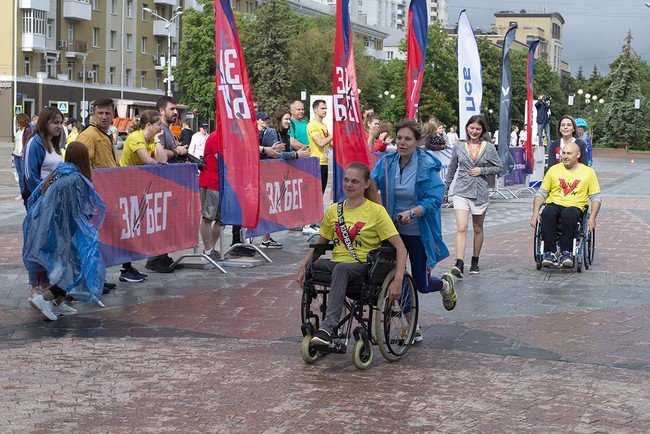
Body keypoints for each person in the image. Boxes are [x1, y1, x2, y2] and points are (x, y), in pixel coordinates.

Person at [296, 162, 408, 347]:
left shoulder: (376, 212)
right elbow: (319, 245)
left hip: (364, 266)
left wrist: (398, 280)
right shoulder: (334, 210)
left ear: (366, 184)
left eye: (355, 181)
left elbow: (401, 248)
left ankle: (328, 327)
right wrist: (303, 267)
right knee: (315, 266)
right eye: (346, 180)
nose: (349, 185)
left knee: (341, 269)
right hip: (339, 264)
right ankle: (317, 322)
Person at [372, 119, 457, 341]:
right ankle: (412, 327)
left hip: (419, 231)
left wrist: (412, 212)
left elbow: (435, 199)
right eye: (399, 138)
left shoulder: (427, 166)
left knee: (421, 283)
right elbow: (370, 184)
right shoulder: (386, 163)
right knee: (395, 278)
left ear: (417, 142)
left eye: (407, 139)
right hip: (393, 231)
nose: (402, 142)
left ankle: (444, 284)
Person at [23, 141, 107, 320]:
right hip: (61, 231)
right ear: (83, 159)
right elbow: (80, 209)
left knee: (68, 266)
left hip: (47, 229)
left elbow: (36, 197)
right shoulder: (75, 178)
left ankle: (58, 302)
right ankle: (46, 299)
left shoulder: (58, 172)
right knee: (75, 268)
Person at [77, 98, 142, 287]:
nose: (104, 116)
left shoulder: (104, 134)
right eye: (100, 113)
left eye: (107, 113)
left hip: (107, 194)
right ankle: (93, 279)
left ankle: (101, 277)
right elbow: (83, 164)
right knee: (95, 238)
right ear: (93, 114)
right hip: (96, 195)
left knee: (105, 236)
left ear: (113, 114)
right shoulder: (89, 135)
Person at [444, 115, 503, 277]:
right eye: (471, 128)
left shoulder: (488, 147)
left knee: (477, 228)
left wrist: (482, 171)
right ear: (467, 128)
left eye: (478, 129)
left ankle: (475, 259)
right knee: (461, 227)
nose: (474, 131)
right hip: (461, 190)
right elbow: (452, 167)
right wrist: (446, 187)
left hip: (480, 192)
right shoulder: (459, 146)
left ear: (483, 130)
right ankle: (459, 262)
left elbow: (499, 167)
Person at [531, 142, 601, 267]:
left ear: (578, 154)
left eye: (569, 153)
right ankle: (549, 252)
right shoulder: (553, 170)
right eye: (563, 153)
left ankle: (566, 252)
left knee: (569, 214)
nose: (565, 156)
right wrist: (535, 213)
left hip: (575, 206)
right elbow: (541, 194)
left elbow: (596, 197)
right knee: (547, 212)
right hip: (554, 203)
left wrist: (593, 217)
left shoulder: (588, 172)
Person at [145, 96, 188, 273]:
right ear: (161, 110)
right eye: (172, 109)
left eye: (176, 109)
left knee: (167, 221)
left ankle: (163, 255)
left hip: (169, 184)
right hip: (160, 183)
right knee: (160, 221)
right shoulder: (160, 129)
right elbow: (158, 154)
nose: (176, 112)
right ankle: (154, 258)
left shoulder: (168, 129)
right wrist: (176, 151)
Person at [259, 108, 311, 249]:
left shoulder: (285, 134)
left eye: (289, 119)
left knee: (272, 206)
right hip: (267, 174)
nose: (288, 121)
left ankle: (266, 238)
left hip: (278, 175)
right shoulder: (271, 132)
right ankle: (260, 237)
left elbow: (285, 153)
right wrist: (296, 155)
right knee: (266, 205)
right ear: (279, 119)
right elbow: (276, 155)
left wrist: (298, 152)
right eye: (286, 119)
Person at [23, 107, 64, 206]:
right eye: (55, 122)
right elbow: (30, 177)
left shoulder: (55, 143)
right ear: (44, 123)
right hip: (41, 201)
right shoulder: (34, 143)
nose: (59, 126)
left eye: (61, 123)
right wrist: (43, 197)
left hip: (55, 199)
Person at [199, 132, 222, 260]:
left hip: (222, 183)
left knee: (221, 219)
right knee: (208, 217)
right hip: (211, 182)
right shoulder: (215, 136)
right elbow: (221, 157)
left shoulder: (229, 137)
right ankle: (208, 250)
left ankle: (210, 249)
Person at [307, 99, 333, 194]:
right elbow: (320, 143)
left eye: (326, 108)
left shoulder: (324, 125)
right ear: (315, 110)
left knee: (322, 192)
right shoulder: (312, 125)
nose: (325, 111)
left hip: (325, 162)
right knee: (316, 193)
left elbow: (330, 143)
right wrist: (333, 135)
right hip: (317, 162)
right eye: (322, 108)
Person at [13, 113, 31, 201]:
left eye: (17, 120)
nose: (16, 122)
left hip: (23, 156)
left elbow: (27, 143)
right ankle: (22, 193)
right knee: (20, 175)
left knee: (24, 175)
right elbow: (17, 143)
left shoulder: (28, 130)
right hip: (16, 155)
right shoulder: (19, 130)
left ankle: (26, 193)